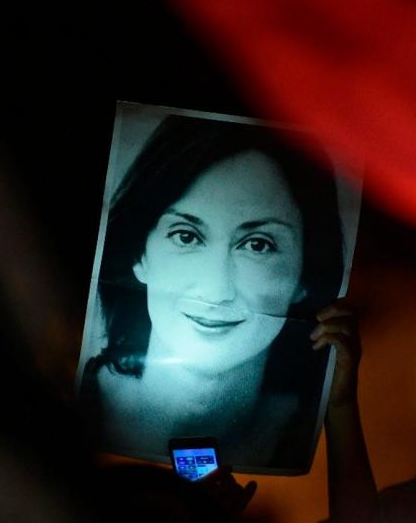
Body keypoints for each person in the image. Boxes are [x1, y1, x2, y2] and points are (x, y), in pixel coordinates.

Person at [81, 113, 347, 470]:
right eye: (187, 237)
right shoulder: (62, 396)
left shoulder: (313, 435)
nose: (217, 290)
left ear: (305, 277)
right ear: (138, 254)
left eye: (258, 245)